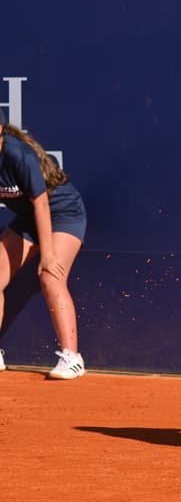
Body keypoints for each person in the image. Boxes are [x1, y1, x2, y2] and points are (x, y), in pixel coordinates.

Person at [0, 110, 87, 379]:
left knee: (50, 275)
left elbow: (40, 203)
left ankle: (72, 358)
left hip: (63, 213)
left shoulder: (18, 154)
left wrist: (47, 254)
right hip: (27, 219)